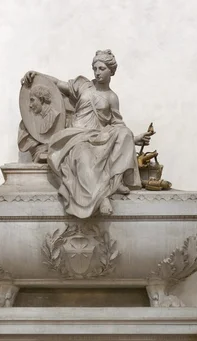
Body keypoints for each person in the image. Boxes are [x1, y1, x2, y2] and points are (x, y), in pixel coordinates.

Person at [22, 50, 153, 218]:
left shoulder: (112, 98)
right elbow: (57, 83)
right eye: (95, 68)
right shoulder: (83, 85)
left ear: (111, 71)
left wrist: (135, 139)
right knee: (82, 155)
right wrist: (38, 75)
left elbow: (117, 124)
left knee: (125, 132)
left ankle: (115, 181)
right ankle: (101, 196)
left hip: (99, 137)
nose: (97, 72)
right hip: (77, 135)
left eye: (102, 68)